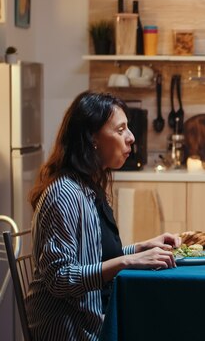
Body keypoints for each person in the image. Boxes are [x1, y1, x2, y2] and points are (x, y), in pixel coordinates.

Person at [26, 92, 181, 340]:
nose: (131, 138)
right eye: (120, 130)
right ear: (92, 139)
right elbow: (59, 279)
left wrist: (141, 249)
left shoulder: (88, 187)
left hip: (94, 319)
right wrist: (128, 262)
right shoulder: (64, 194)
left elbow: (96, 257)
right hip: (71, 330)